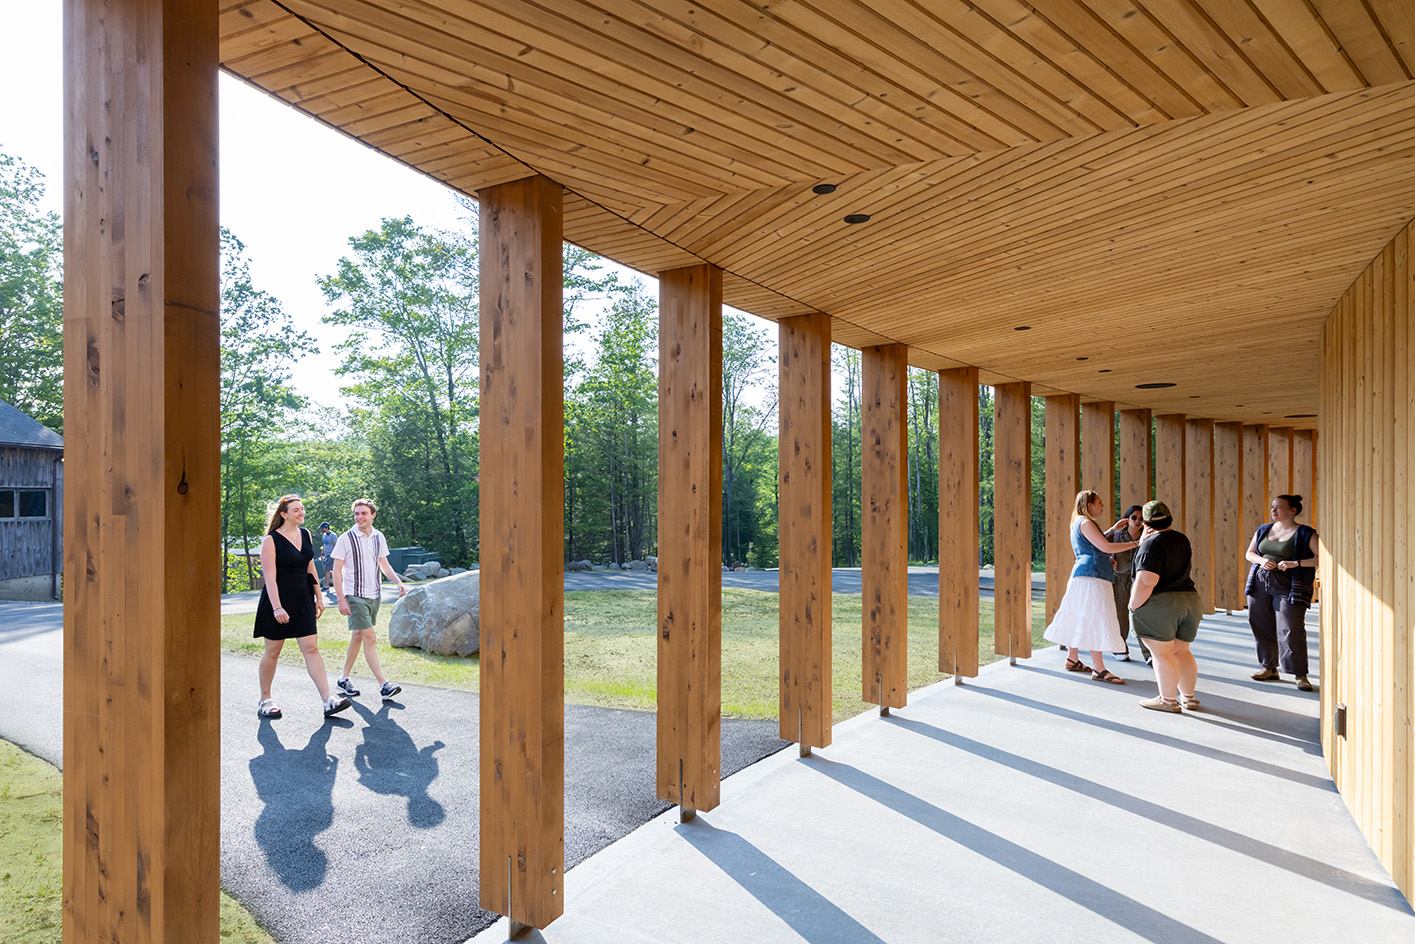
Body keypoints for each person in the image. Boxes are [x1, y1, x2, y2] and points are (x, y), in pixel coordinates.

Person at [252, 495, 350, 719]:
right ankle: (265, 699)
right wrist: (277, 608)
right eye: (296, 510)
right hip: (277, 601)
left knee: (311, 648)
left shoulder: (305, 534)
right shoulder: (271, 541)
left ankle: (327, 700)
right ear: (283, 514)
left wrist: (319, 597)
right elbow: (269, 578)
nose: (301, 512)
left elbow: (310, 568)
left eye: (302, 509)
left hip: (303, 599)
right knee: (273, 651)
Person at [1042, 489, 1140, 684]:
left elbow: (1093, 545)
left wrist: (1112, 530)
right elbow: (1106, 547)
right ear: (1089, 506)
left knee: (1080, 615)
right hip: (1093, 577)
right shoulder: (1086, 522)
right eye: (1099, 503)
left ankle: (1072, 658)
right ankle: (1099, 669)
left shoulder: (1079, 522)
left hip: (1084, 575)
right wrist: (1138, 542)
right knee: (1097, 617)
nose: (1102, 506)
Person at [1129, 500, 1205, 712]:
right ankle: (1188, 698)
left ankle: (1168, 700)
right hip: (1189, 600)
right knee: (1181, 652)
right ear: (1170, 518)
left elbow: (1146, 581)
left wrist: (1133, 605)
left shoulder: (1151, 544)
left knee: (1162, 654)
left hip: (1162, 604)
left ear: (1144, 522)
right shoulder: (1181, 538)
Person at [331, 498, 407, 701]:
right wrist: (340, 599)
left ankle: (343, 678)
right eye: (356, 513)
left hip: (374, 594)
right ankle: (384, 685)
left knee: (358, 636)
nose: (359, 517)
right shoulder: (346, 538)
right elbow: (336, 571)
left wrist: (398, 581)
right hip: (354, 595)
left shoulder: (378, 537)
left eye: (363, 513)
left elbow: (384, 563)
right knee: (370, 638)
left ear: (373, 515)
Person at [1244, 494, 1318, 692]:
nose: (1273, 511)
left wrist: (1297, 563)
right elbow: (1250, 553)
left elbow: (1321, 558)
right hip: (1260, 582)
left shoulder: (1305, 533)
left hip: (1289, 585)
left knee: (1290, 628)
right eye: (1272, 507)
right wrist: (1261, 561)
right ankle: (1269, 667)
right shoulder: (1263, 529)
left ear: (1293, 510)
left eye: (1279, 508)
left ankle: (1299, 674)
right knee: (1260, 625)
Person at [1106, 505, 1150, 664]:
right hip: (1119, 581)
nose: (1137, 521)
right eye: (1134, 517)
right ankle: (1120, 647)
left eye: (1141, 518)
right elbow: (1097, 545)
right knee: (1120, 616)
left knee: (1141, 615)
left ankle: (1148, 653)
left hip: (1139, 582)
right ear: (1127, 518)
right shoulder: (1117, 536)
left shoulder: (1147, 538)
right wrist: (1108, 559)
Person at [319, 521, 337, 592]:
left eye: (322, 528)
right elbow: (324, 545)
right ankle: (340, 579)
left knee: (327, 569)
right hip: (326, 555)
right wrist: (322, 554)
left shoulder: (333, 535)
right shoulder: (324, 535)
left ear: (326, 528)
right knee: (327, 570)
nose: (321, 530)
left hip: (331, 555)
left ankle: (326, 586)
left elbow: (336, 545)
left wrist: (335, 555)